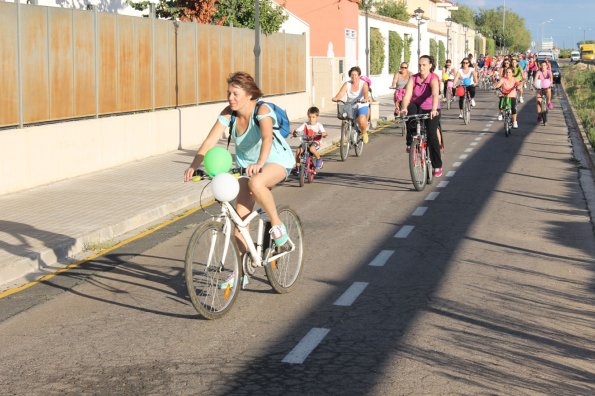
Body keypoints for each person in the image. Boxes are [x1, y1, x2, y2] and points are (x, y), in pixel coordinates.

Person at [183, 71, 295, 252]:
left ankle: (277, 225)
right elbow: (210, 141)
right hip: (246, 167)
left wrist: (259, 162)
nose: (230, 98)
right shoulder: (229, 114)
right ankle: (240, 276)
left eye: (235, 94)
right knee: (240, 224)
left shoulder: (262, 110)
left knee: (257, 183)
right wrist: (194, 166)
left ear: (249, 94)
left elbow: (267, 138)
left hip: (275, 160)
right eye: (228, 93)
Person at [400, 55, 443, 177]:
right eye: (419, 65)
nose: (421, 67)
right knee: (409, 111)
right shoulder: (413, 78)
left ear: (430, 66)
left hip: (431, 108)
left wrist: (434, 109)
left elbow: (435, 94)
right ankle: (410, 142)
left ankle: (437, 165)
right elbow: (407, 95)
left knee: (431, 134)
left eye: (424, 65)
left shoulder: (433, 78)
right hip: (417, 106)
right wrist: (403, 107)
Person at [332, 66, 371, 144]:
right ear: (350, 75)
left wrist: (365, 98)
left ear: (359, 75)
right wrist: (336, 98)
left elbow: (365, 92)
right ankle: (349, 133)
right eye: (352, 75)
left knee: (361, 119)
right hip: (350, 105)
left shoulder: (363, 84)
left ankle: (364, 132)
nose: (354, 76)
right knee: (345, 118)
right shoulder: (347, 84)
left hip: (361, 104)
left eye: (355, 75)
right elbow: (341, 93)